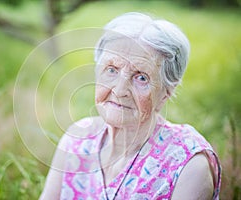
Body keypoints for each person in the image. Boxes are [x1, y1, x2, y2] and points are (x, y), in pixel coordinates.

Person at [40, 12, 221, 200]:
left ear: (166, 93)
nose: (119, 90)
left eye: (141, 77)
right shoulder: (76, 141)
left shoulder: (187, 164)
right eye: (111, 70)